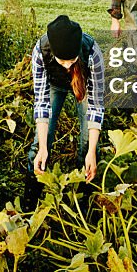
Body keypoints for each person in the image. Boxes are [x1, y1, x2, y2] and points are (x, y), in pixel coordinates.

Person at [27, 15, 106, 200]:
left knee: (88, 146)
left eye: (71, 61)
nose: (67, 66)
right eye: (62, 62)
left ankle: (84, 197)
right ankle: (31, 201)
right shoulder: (40, 51)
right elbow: (41, 102)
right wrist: (44, 147)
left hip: (83, 84)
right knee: (39, 144)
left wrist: (92, 152)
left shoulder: (92, 53)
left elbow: (95, 106)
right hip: (54, 85)